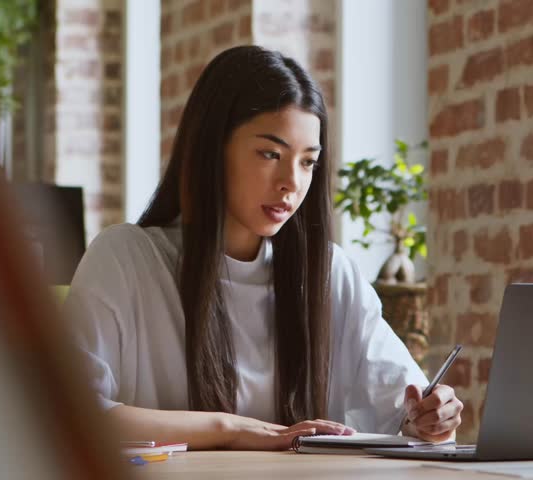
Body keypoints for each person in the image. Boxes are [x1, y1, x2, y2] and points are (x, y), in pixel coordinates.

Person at [66, 45, 463, 451]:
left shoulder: (327, 273)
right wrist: (232, 429)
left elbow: (405, 408)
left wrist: (432, 420)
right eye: (270, 154)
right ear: (211, 149)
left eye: (307, 161)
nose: (291, 182)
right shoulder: (126, 259)